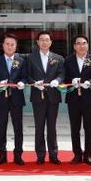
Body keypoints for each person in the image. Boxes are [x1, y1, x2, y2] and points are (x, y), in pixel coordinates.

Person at [0, 33, 28, 165]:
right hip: (1, 99)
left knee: (18, 128)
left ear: (16, 46)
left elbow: (25, 77)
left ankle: (18, 155)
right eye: (7, 44)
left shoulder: (21, 61)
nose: (9, 47)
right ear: (3, 45)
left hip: (17, 99)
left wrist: (22, 82)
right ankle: (2, 154)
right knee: (1, 127)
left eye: (12, 44)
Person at [27, 31, 65, 165]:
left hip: (53, 96)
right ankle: (40, 155)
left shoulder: (58, 58)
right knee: (39, 127)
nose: (44, 42)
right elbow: (27, 75)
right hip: (38, 96)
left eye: (46, 40)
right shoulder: (31, 58)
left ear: (50, 42)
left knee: (52, 127)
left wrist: (57, 80)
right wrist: (34, 83)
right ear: (37, 42)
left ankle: (53, 154)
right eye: (41, 40)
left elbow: (62, 74)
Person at [64, 35, 91, 165]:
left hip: (89, 98)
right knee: (75, 128)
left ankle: (88, 155)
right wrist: (71, 81)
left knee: (88, 127)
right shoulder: (68, 60)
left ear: (87, 45)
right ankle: (77, 154)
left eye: (84, 43)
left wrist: (89, 82)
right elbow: (64, 77)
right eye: (78, 43)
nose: (81, 46)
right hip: (73, 98)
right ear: (74, 46)